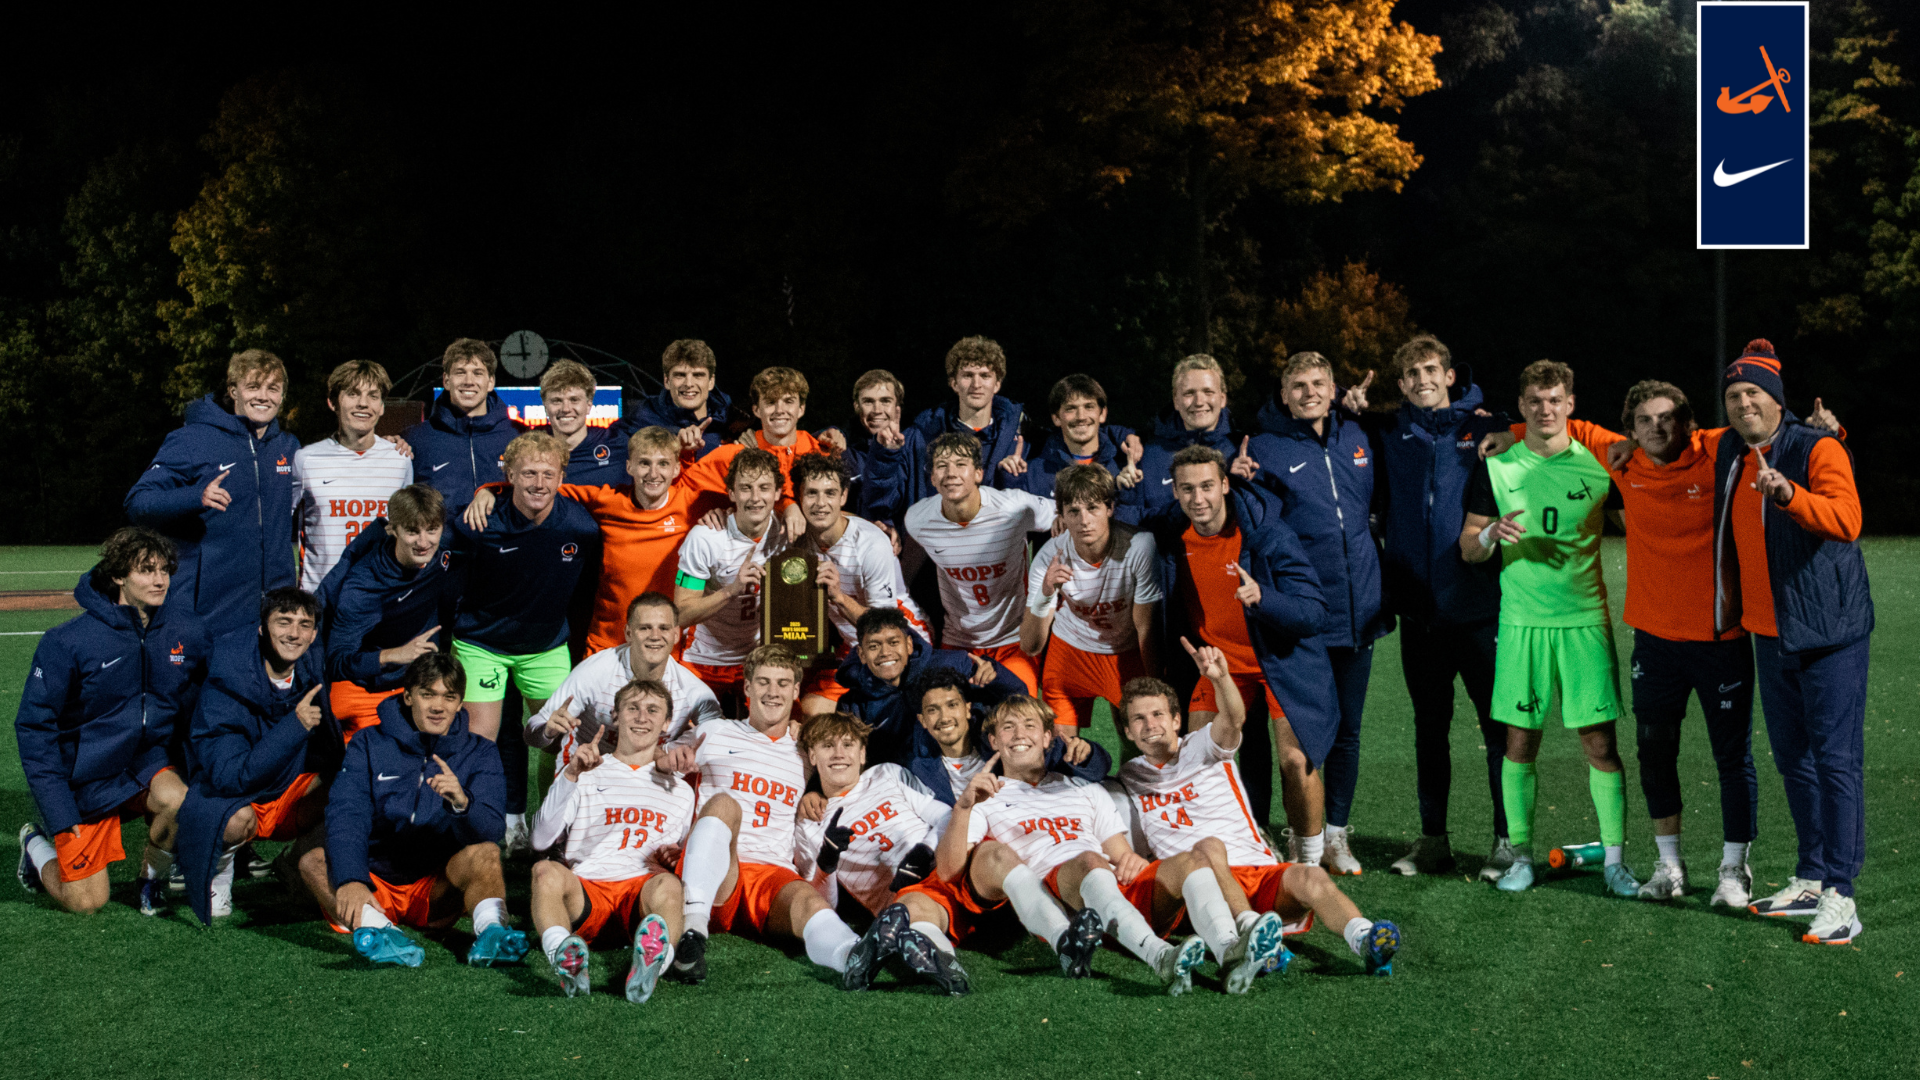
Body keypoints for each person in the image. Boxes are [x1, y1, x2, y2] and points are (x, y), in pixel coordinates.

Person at [1478, 379, 1816, 905]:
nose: (1656, 428)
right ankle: (1668, 866)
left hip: (1718, 634)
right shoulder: (1624, 464)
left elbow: (1764, 430)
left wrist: (1815, 433)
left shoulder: (1718, 455)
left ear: (1687, 423)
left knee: (1731, 757)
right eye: (1644, 421)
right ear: (1630, 429)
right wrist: (1513, 432)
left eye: (1667, 419)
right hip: (1653, 640)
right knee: (1654, 753)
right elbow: (1568, 425)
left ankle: (1732, 870)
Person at [1117, 641, 1401, 988]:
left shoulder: (1203, 744)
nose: (1150, 725)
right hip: (1199, 894)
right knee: (1206, 848)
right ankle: (1251, 933)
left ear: (1177, 720)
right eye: (1139, 719)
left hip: (1257, 872)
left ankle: (1365, 939)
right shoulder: (1129, 777)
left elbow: (1234, 718)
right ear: (1128, 732)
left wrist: (1220, 679)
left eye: (1158, 714)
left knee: (1311, 877)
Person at [1710, 341, 1873, 945]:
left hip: (1828, 631)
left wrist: (1788, 496)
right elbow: (1662, 429)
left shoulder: (1817, 446)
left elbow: (1847, 519)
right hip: (1768, 632)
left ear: (1777, 400)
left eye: (1754, 392)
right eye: (1734, 395)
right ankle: (1810, 875)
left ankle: (1842, 894)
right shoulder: (1729, 445)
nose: (1744, 402)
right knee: (1794, 761)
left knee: (1836, 762)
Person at [1460, 359, 1637, 898]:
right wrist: (1490, 532)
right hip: (1521, 625)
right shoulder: (1495, 465)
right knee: (1519, 744)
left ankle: (1615, 862)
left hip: (1585, 621)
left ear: (1571, 404)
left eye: (1555, 400)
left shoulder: (1600, 466)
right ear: (1522, 406)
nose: (1545, 410)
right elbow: (1468, 548)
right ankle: (1520, 858)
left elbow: (1646, 517)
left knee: (1600, 744)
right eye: (1535, 401)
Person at [659, 645, 906, 991]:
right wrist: (666, 759)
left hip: (772, 871)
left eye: (782, 683)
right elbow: (659, 762)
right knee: (725, 803)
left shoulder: (806, 746)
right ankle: (693, 936)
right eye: (763, 682)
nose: (772, 692)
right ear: (746, 689)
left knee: (808, 902)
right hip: (717, 870)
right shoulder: (715, 732)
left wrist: (813, 795)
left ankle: (853, 956)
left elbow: (842, 777)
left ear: (795, 691)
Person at [1361, 335, 1514, 879]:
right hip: (1419, 614)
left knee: (1497, 729)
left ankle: (1506, 841)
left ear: (1450, 374)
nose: (1423, 379)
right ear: (1401, 385)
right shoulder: (1387, 432)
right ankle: (1433, 841)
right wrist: (1345, 405)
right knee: (1430, 727)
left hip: (1477, 608)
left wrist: (1506, 428)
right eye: (1412, 374)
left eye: (1431, 369)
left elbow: (1540, 433)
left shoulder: (1485, 428)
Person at [1233, 350, 1390, 875]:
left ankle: (1337, 835)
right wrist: (1236, 479)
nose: (1308, 392)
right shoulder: (1266, 448)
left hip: (1359, 609)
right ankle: (1279, 831)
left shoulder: (1358, 435)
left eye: (1318, 383)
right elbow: (1256, 524)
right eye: (1297, 385)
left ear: (1333, 386)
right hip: (1299, 614)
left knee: (1346, 730)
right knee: (1298, 735)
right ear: (1283, 394)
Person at [1141, 444, 1333, 864]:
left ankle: (1308, 860)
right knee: (1193, 759)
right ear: (1174, 492)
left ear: (1226, 485)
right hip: (1218, 666)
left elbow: (1315, 611)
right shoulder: (1171, 536)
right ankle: (1226, 852)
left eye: (1208, 486)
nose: (1198, 498)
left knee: (1296, 761)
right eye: (1187, 489)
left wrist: (1265, 598)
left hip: (1279, 661)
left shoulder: (1267, 533)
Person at [939, 697, 1210, 992]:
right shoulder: (984, 797)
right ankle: (1160, 956)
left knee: (1193, 860)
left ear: (1047, 738)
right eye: (1008, 727)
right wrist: (962, 809)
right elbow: (949, 871)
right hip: (1056, 895)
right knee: (1089, 860)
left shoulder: (1083, 788)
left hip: (1107, 888)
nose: (1019, 735)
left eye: (1030, 726)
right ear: (993, 740)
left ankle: (1231, 947)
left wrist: (1131, 860)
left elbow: (1119, 853)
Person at [16, 527, 210, 916]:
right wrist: (58, 811)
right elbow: (35, 728)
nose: (159, 580)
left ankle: (151, 881)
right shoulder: (68, 641)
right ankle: (35, 845)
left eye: (164, 571)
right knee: (87, 903)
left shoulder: (186, 631)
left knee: (180, 800)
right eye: (146, 570)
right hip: (85, 778)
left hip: (143, 764)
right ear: (119, 575)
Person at [313, 653, 525, 968]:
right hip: (377, 880)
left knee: (486, 853)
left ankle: (492, 933)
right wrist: (352, 879)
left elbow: (491, 830)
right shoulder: (368, 742)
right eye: (428, 694)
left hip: (434, 888)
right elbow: (347, 813)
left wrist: (461, 802)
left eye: (448, 697)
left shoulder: (481, 751)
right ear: (409, 696)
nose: (438, 706)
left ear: (459, 703)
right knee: (313, 862)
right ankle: (380, 930)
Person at [446, 431, 600, 849]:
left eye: (548, 474)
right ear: (508, 475)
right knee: (481, 739)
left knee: (562, 738)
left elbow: (586, 589)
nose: (538, 483)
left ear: (561, 476)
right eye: (528, 473)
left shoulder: (580, 527)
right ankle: (486, 823)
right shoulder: (479, 524)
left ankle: (548, 827)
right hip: (482, 644)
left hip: (546, 646)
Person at [464, 425, 734, 655]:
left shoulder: (693, 500)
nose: (653, 473)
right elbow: (542, 487)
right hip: (607, 641)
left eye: (663, 464)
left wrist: (724, 512)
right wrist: (490, 490)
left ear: (676, 469)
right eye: (644, 463)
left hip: (668, 642)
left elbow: (746, 500)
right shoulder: (607, 501)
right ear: (629, 466)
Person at [176, 588, 338, 925]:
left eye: (304, 624)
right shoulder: (226, 681)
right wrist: (294, 725)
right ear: (262, 628)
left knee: (351, 789)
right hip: (234, 796)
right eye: (284, 622)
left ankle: (296, 861)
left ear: (313, 635)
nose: (294, 633)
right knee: (235, 819)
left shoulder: (311, 670)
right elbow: (230, 776)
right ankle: (217, 871)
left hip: (285, 793)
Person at [528, 678, 695, 1002]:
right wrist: (571, 775)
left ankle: (652, 968)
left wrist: (677, 857)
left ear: (667, 722)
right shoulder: (586, 771)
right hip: (587, 890)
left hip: (641, 896)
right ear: (615, 716)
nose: (641, 717)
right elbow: (539, 840)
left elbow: (684, 855)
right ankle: (563, 955)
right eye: (632, 708)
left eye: (652, 710)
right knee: (544, 872)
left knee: (671, 887)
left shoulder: (681, 791)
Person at [125, 348, 300, 636]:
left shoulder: (289, 447)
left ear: (282, 396)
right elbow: (138, 502)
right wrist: (195, 496)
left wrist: (396, 446)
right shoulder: (193, 439)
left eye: (273, 388)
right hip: (210, 614)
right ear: (233, 391)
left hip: (275, 613)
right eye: (253, 387)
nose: (263, 396)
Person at [793, 712, 969, 995]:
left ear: (863, 754)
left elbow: (946, 816)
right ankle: (946, 965)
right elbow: (826, 906)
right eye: (827, 746)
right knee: (910, 908)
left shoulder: (888, 773)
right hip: (900, 902)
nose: (839, 754)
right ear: (812, 756)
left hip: (945, 869)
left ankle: (932, 954)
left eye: (848, 745)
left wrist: (924, 851)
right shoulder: (809, 824)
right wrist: (827, 863)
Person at [904, 432, 1060, 693]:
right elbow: (907, 567)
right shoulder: (918, 519)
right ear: (932, 478)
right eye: (941, 466)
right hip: (959, 641)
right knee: (944, 711)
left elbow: (1068, 513)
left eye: (960, 464)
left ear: (978, 473)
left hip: (1014, 639)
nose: (951, 473)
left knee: (1022, 711)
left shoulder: (1013, 506)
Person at [1019, 464, 1161, 738]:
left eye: (1093, 508)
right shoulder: (1050, 556)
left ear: (1110, 508)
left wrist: (1154, 686)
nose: (1084, 520)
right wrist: (1046, 592)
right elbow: (1031, 645)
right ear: (1061, 515)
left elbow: (1146, 628)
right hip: (1069, 651)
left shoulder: (1140, 546)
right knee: (1061, 751)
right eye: (1074, 511)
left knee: (1145, 745)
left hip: (1125, 650)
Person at [526, 593, 724, 785]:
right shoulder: (595, 672)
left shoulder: (694, 691)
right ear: (628, 633)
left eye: (663, 628)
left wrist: (675, 751)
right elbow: (532, 734)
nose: (655, 636)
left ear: (675, 634)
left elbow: (720, 739)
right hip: (587, 769)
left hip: (652, 775)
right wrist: (548, 731)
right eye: (645, 628)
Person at [785, 452, 928, 717]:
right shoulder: (798, 540)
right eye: (811, 493)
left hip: (902, 638)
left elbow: (887, 628)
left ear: (843, 496)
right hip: (853, 646)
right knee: (810, 712)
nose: (820, 503)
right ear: (799, 497)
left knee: (896, 715)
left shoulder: (870, 543)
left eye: (830, 493)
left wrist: (838, 596)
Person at [318, 484, 457, 739]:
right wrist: (394, 655)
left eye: (432, 530)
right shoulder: (364, 585)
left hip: (417, 685)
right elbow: (336, 661)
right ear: (393, 529)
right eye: (413, 532)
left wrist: (488, 492)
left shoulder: (445, 551)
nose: (424, 542)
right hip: (366, 688)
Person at [836, 608, 1031, 768]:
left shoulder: (953, 664)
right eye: (874, 646)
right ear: (861, 654)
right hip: (906, 783)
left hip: (972, 765)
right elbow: (846, 757)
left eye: (893, 643)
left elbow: (1019, 698)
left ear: (909, 645)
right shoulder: (854, 704)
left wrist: (996, 677)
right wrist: (816, 789)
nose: (885, 653)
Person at [673, 448, 785, 712]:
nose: (756, 498)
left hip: (758, 659)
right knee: (691, 743)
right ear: (732, 493)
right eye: (745, 488)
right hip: (704, 658)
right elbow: (680, 614)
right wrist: (731, 590)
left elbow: (833, 516)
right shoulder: (706, 538)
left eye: (764, 488)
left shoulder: (789, 532)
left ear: (778, 493)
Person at [292, 360, 414, 592]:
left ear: (382, 407)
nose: (363, 404)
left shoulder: (400, 459)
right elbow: (276, 526)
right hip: (319, 598)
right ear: (332, 402)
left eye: (373, 396)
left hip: (378, 595)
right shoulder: (305, 459)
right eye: (353, 394)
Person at [676, 366, 833, 506]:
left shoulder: (820, 453)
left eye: (788, 401)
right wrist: (683, 454)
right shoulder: (733, 455)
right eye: (771, 402)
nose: (780, 409)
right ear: (757, 410)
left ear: (801, 409)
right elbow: (679, 492)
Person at [399, 337, 525, 502]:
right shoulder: (414, 439)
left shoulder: (518, 437)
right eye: (460, 372)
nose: (469, 382)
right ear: (446, 381)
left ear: (491, 382)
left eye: (477, 373)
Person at [1005, 374, 1144, 515]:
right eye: (1071, 409)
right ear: (1056, 418)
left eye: (1089, 407)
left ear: (1102, 414)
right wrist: (1010, 480)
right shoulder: (1034, 473)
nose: (1081, 416)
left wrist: (1124, 492)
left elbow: (1139, 523)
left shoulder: (1125, 466)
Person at [909, 336, 1028, 487]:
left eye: (985, 376)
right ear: (954, 383)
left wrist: (1012, 481)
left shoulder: (1020, 443)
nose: (976, 384)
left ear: (997, 384)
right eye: (968, 375)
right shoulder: (924, 437)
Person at [1135, 354, 1241, 516]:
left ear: (1222, 399)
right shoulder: (1148, 456)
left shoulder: (1242, 452)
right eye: (1189, 393)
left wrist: (1243, 483)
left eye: (1208, 392)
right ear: (1176, 401)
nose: (1199, 402)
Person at [622, 339, 733, 460]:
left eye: (698, 375)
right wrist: (672, 444)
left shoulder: (733, 422)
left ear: (711, 382)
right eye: (680, 375)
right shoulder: (641, 420)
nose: (689, 383)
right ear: (667, 381)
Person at [537, 359, 626, 485]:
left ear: (589, 405)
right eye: (557, 400)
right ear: (545, 406)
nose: (566, 409)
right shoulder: (528, 450)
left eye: (574, 400)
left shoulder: (618, 444)